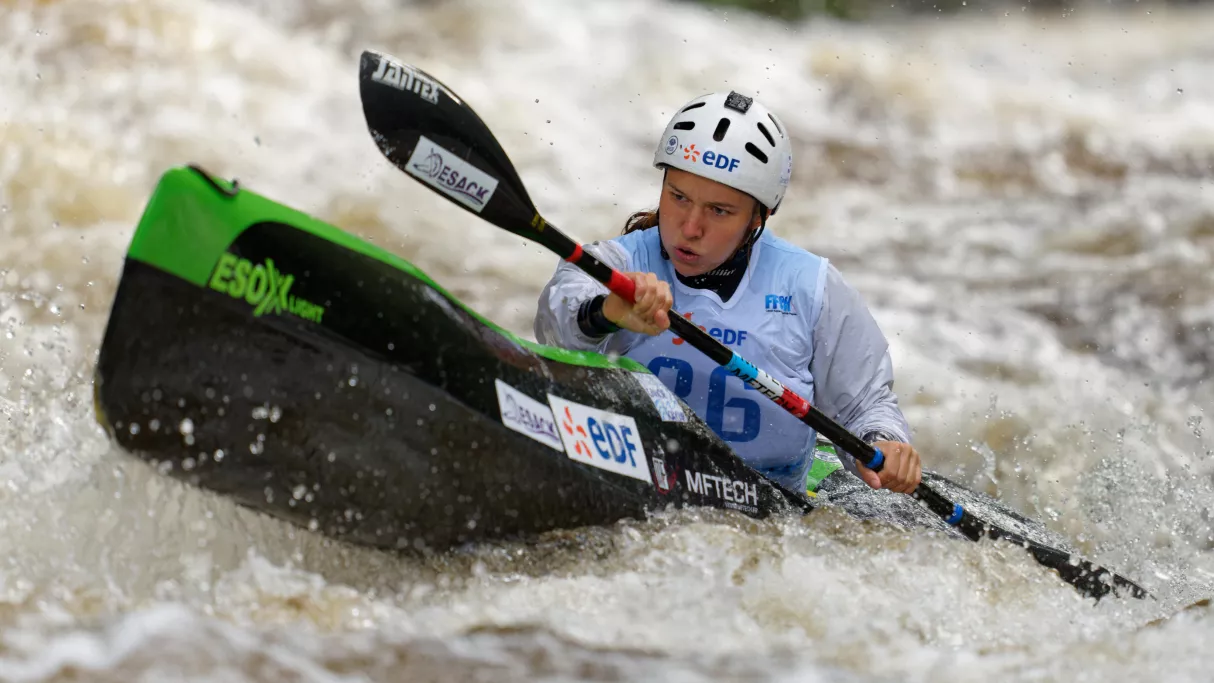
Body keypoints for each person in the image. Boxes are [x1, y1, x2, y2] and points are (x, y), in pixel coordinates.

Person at [533, 90, 920, 496]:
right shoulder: (614, 264)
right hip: (624, 484)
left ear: (759, 216)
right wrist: (606, 312)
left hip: (770, 507)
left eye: (719, 210)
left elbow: (864, 406)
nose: (690, 227)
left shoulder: (811, 287)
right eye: (678, 197)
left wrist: (883, 443)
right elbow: (554, 328)